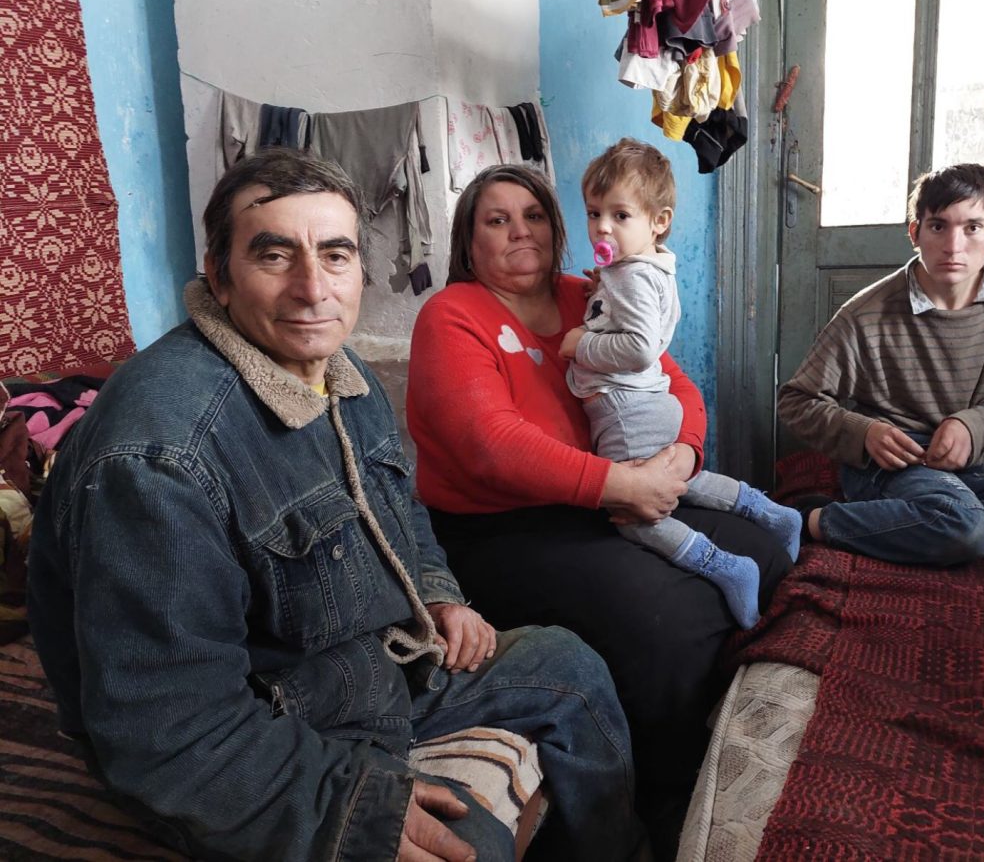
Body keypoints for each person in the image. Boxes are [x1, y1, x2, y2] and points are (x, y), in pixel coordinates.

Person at [26, 147, 649, 862]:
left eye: (335, 254)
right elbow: (168, 730)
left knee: (569, 664)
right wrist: (345, 805)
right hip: (266, 740)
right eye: (273, 255)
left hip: (370, 674)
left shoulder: (340, 372)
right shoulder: (157, 456)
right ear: (218, 275)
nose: (312, 289)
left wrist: (439, 595)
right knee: (468, 843)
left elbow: (401, 510)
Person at [406, 162, 790, 858]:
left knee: (757, 544)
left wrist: (683, 457)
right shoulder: (452, 314)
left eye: (533, 216)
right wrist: (620, 485)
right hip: (503, 528)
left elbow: (672, 380)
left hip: (608, 493)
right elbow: (492, 443)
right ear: (469, 240)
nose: (519, 231)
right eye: (497, 220)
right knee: (662, 617)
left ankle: (724, 720)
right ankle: (665, 791)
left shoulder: (586, 293)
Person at [777, 163, 984, 566]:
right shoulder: (866, 313)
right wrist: (864, 432)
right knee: (964, 526)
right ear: (915, 233)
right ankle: (814, 520)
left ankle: (928, 525)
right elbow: (796, 401)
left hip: (968, 469)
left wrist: (972, 426)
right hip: (893, 465)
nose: (953, 245)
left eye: (972, 227)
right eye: (938, 226)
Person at [557, 138, 801, 630]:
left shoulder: (628, 277)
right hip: (652, 403)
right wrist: (603, 289)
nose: (602, 227)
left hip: (624, 409)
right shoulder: (649, 266)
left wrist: (580, 344)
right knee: (682, 479)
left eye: (620, 215)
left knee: (636, 517)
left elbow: (640, 348)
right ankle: (770, 512)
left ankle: (726, 567)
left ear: (658, 221)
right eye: (594, 213)